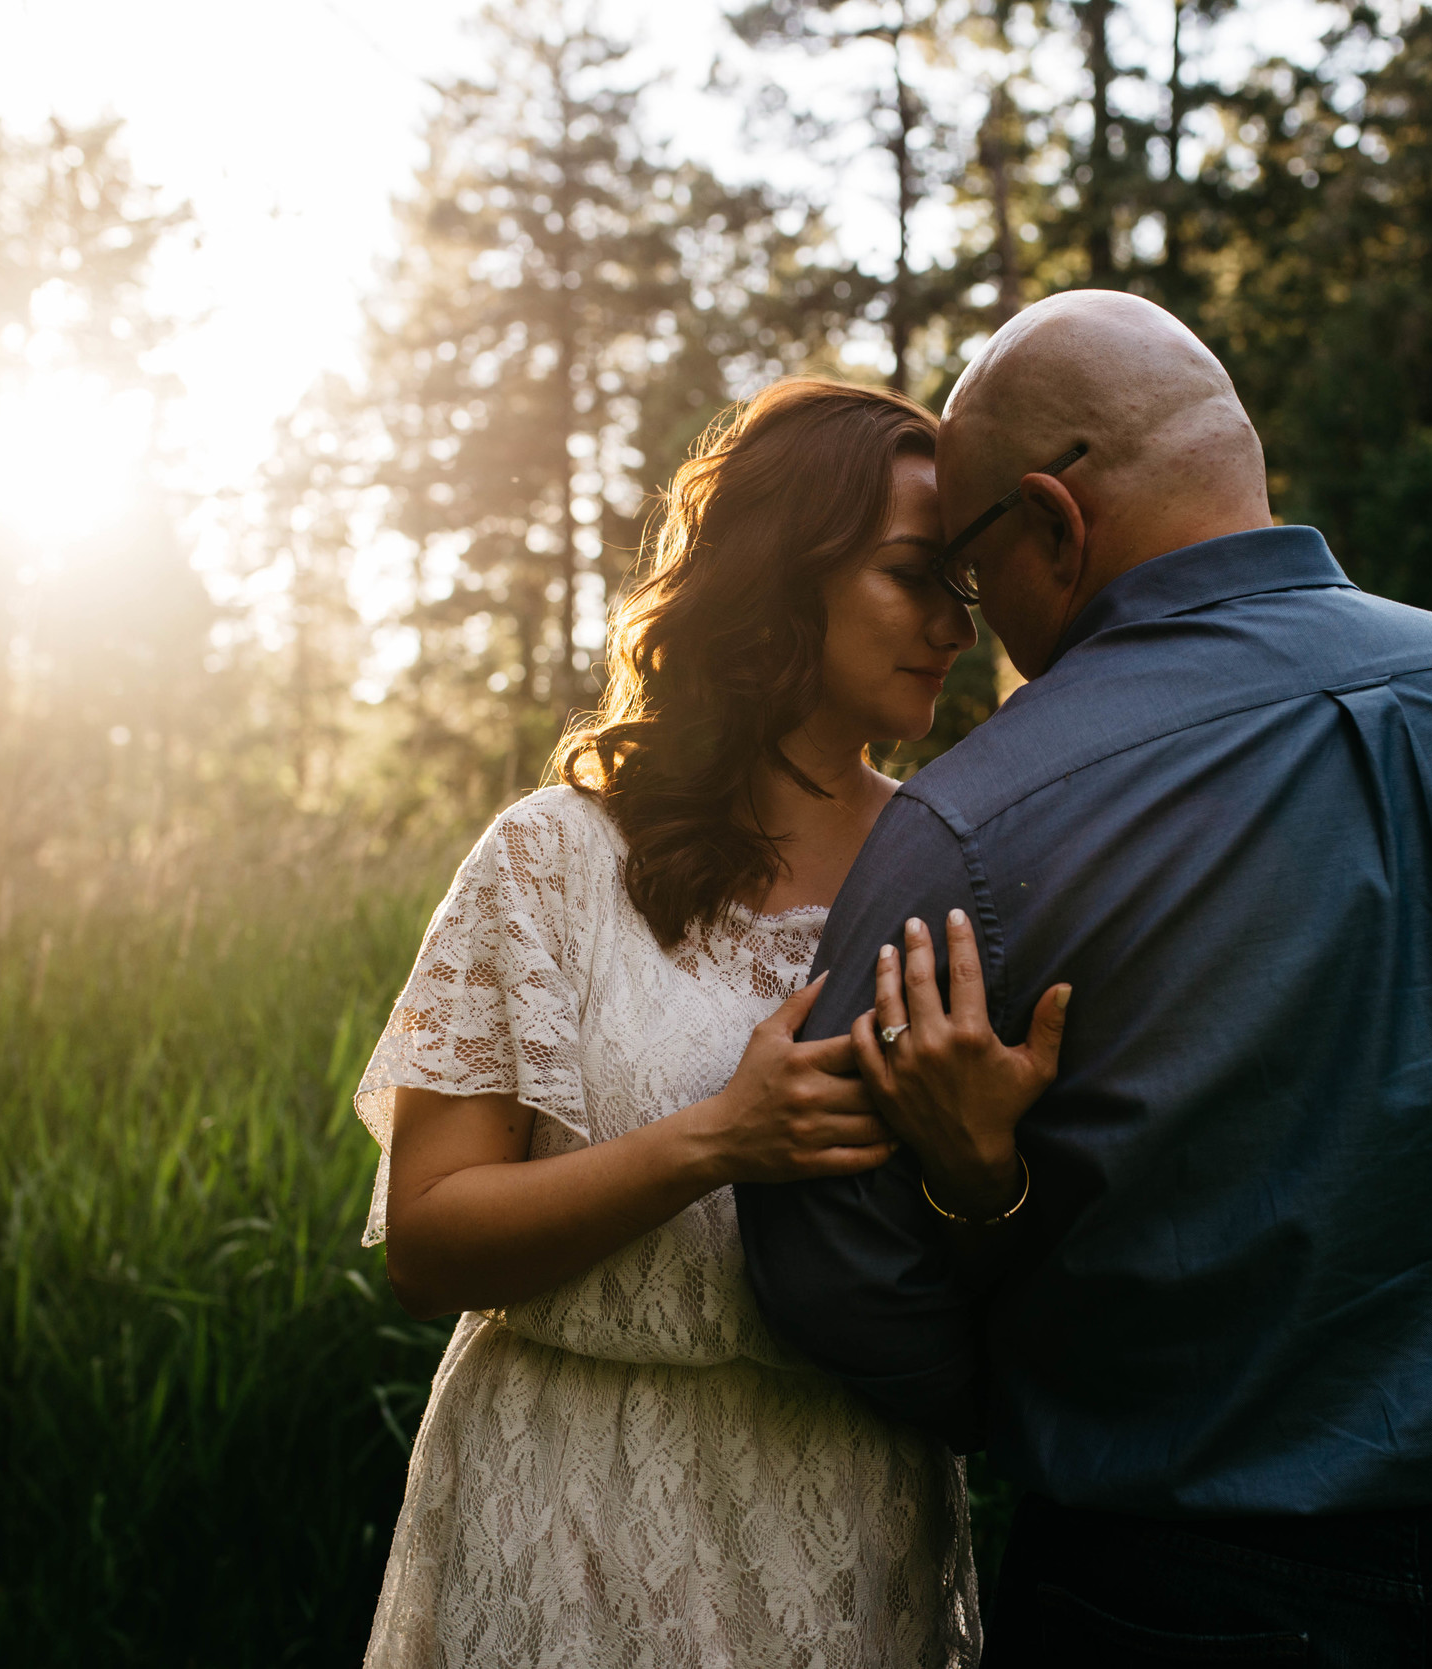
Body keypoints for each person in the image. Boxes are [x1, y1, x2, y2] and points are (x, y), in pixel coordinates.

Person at [736, 291, 1432, 1663]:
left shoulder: (976, 824)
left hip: (1174, 1578)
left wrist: (1021, 1396)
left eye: (977, 579)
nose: (978, 629)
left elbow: (827, 1267)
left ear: (1054, 523)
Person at [351, 379, 1032, 1667]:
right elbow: (429, 1243)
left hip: (846, 1518)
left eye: (968, 586)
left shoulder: (959, 863)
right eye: (911, 576)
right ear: (785, 579)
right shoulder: (555, 857)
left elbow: (1003, 1286)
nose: (953, 624)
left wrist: (980, 1164)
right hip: (574, 1503)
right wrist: (717, 1139)